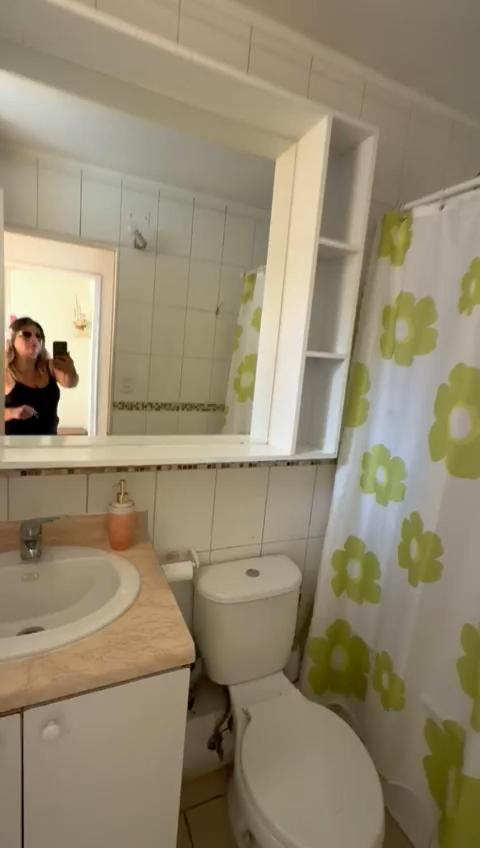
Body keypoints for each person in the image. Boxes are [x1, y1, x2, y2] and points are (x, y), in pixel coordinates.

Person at [4, 317, 78, 435]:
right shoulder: (5, 372)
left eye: (38, 336)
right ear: (12, 340)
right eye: (26, 334)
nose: (34, 339)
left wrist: (70, 369)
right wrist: (13, 412)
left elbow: (70, 383)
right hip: (15, 443)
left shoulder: (49, 366)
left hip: (49, 441)